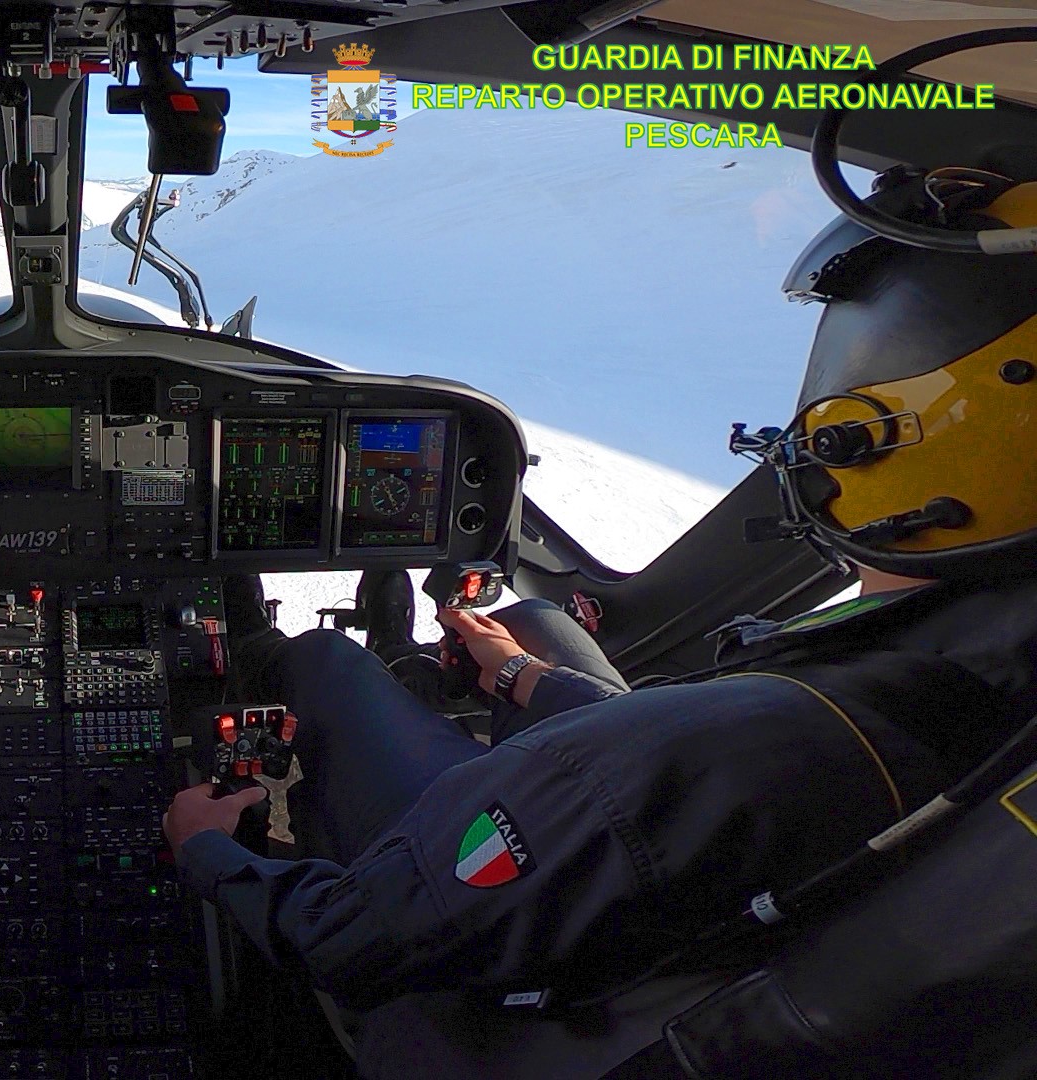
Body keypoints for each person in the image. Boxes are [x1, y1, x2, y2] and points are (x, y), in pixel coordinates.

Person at [164, 177, 1037, 1076]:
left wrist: (208, 850)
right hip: (697, 925)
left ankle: (277, 658)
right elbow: (648, 774)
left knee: (319, 659)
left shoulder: (715, 748)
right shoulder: (985, 674)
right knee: (535, 619)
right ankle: (447, 672)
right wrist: (517, 676)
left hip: (522, 1028)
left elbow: (344, 935)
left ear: (880, 442)